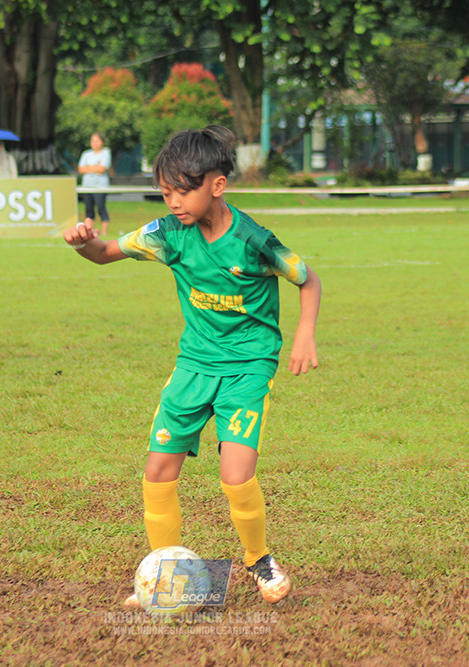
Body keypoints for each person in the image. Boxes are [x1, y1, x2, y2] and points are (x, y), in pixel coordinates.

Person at [63, 125, 321, 606]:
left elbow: (307, 279)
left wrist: (304, 334)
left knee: (236, 475)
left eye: (183, 190)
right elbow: (104, 254)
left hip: (247, 366)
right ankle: (164, 572)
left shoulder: (253, 241)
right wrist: (83, 242)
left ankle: (259, 560)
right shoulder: (167, 234)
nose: (174, 202)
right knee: (158, 470)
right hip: (193, 365)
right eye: (165, 192)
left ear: (216, 185)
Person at [77, 132, 111, 237]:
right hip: (87, 187)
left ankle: (105, 232)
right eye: (93, 141)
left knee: (101, 207)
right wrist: (95, 167)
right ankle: (90, 231)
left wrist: (89, 167)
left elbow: (102, 169)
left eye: (97, 141)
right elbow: (81, 169)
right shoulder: (86, 154)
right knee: (89, 209)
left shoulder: (106, 153)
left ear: (102, 142)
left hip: (100, 186)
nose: (95, 143)